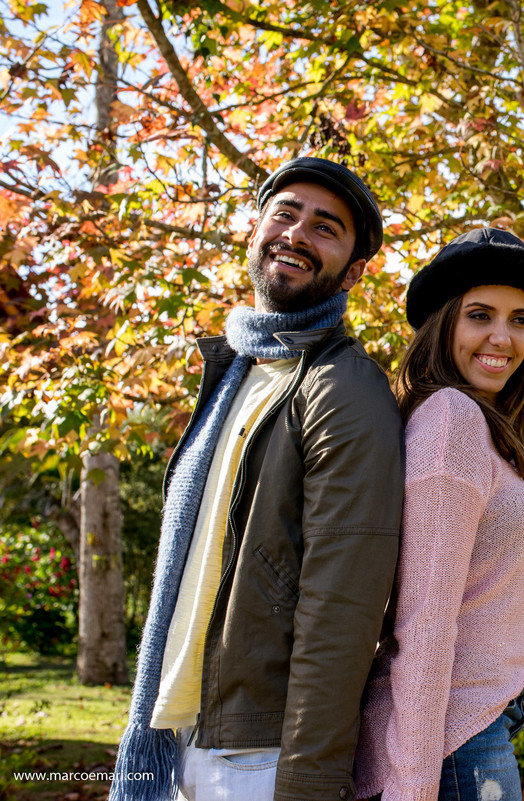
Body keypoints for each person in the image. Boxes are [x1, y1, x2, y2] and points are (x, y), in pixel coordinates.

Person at [110, 157, 404, 801]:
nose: (296, 233)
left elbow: (340, 614)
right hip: (180, 733)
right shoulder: (235, 370)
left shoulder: (344, 389)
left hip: (256, 757)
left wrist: (308, 782)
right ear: (255, 230)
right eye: (285, 214)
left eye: (325, 227)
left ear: (355, 271)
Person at [354, 227, 524, 801]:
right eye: (480, 315)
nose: (503, 337)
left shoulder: (479, 427)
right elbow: (424, 620)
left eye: (521, 320)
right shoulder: (452, 419)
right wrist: (413, 787)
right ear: (443, 324)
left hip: (473, 727)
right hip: (454, 744)